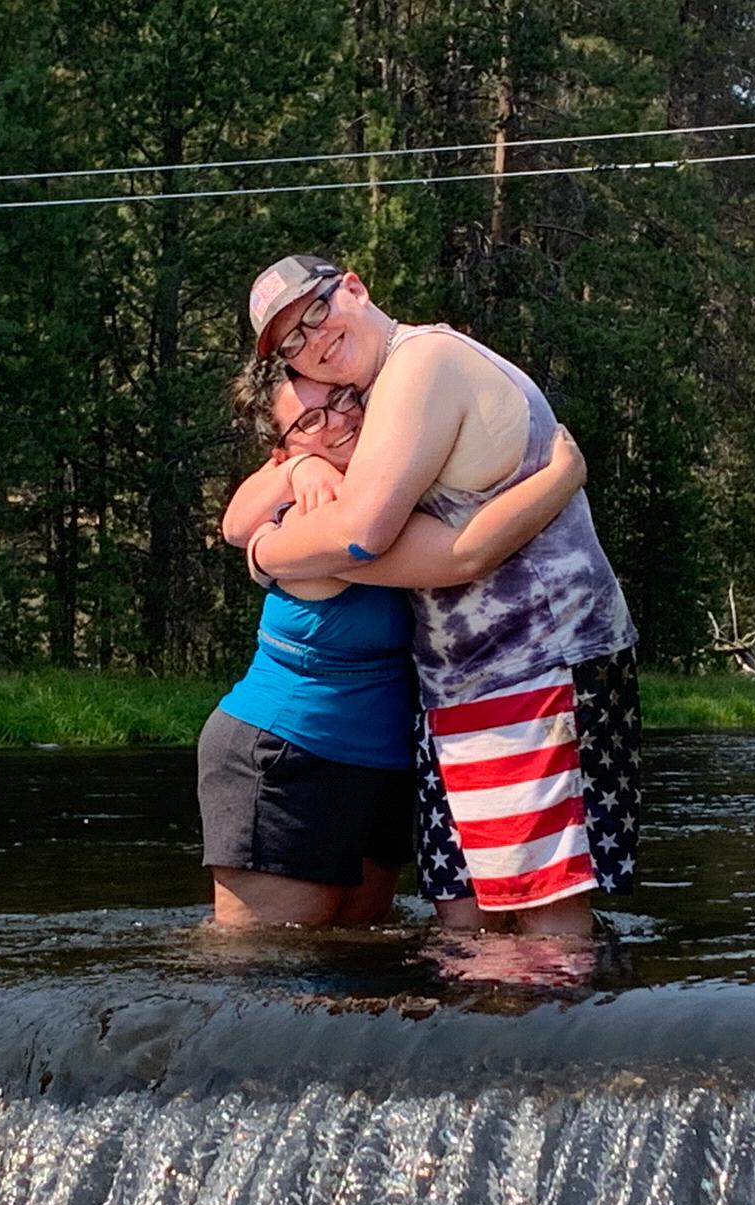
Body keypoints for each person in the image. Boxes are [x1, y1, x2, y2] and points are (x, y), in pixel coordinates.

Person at [242, 255, 640, 936]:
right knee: (465, 928)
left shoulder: (421, 363)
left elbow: (363, 535)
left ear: (357, 288)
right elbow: (253, 513)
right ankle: (491, 1046)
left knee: (543, 930)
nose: (316, 340)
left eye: (317, 312)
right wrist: (298, 471)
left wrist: (267, 554)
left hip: (538, 668)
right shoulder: (373, 404)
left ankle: (563, 1043)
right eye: (294, 342)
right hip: (459, 690)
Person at [201, 357, 591, 928]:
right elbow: (466, 554)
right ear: (278, 450)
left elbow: (240, 519)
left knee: (355, 970)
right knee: (265, 978)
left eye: (341, 398)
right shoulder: (333, 520)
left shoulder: (390, 484)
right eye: (310, 422)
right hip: (288, 754)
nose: (338, 421)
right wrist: (562, 476)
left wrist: (297, 465)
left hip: (380, 764)